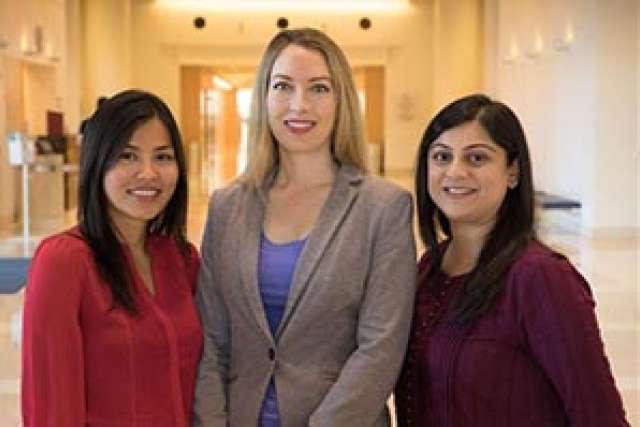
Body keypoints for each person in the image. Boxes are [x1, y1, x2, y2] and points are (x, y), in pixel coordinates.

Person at [194, 28, 416, 426]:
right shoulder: (227, 207)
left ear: (341, 100)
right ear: (264, 98)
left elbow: (380, 349)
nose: (300, 105)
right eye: (283, 86)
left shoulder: (383, 208)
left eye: (318, 88)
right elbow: (212, 341)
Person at [395, 94, 629, 426]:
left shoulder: (539, 278)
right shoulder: (427, 270)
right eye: (442, 157)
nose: (455, 172)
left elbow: (599, 415)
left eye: (476, 158)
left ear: (513, 172)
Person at [22, 89, 203, 426]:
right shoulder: (64, 262)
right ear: (98, 162)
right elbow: (52, 405)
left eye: (162, 157)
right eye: (127, 156)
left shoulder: (181, 259)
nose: (148, 172)